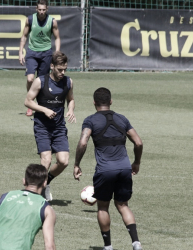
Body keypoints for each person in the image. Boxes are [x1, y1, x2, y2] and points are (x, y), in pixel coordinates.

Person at [73, 87, 143, 250]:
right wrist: (136, 162)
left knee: (103, 206)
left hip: (105, 170)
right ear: (110, 102)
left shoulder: (90, 120)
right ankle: (136, 243)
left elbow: (83, 142)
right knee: (123, 205)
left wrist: (77, 163)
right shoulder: (122, 119)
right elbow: (138, 142)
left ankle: (108, 246)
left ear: (94, 103)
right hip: (125, 168)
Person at [24, 51, 75, 201]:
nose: (62, 72)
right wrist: (44, 109)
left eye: (65, 69)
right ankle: (37, 194)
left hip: (59, 128)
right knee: (46, 160)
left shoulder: (68, 82)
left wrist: (71, 110)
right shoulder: (40, 81)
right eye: (60, 69)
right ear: (52, 66)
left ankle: (46, 183)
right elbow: (28, 101)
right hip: (42, 127)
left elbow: (70, 99)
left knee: (64, 161)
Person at [0, 164, 56, 250]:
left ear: (24, 181)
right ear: (45, 183)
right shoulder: (46, 209)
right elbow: (49, 246)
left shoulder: (4, 198)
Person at [19, 0, 61, 116]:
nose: (41, 12)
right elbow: (24, 36)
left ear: (47, 9)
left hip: (46, 54)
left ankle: (40, 105)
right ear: (36, 9)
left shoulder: (52, 21)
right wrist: (20, 53)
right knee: (30, 79)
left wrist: (56, 53)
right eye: (39, 10)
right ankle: (30, 102)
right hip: (32, 53)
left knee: (41, 81)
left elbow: (57, 38)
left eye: (43, 10)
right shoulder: (30, 19)